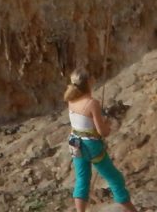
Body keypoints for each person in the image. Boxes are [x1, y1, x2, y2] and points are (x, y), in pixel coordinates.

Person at [65, 71, 140, 212]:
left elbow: (81, 123)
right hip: (91, 145)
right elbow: (102, 132)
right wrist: (108, 125)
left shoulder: (71, 100)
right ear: (88, 83)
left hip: (75, 143)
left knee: (82, 180)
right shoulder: (92, 103)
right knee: (114, 178)